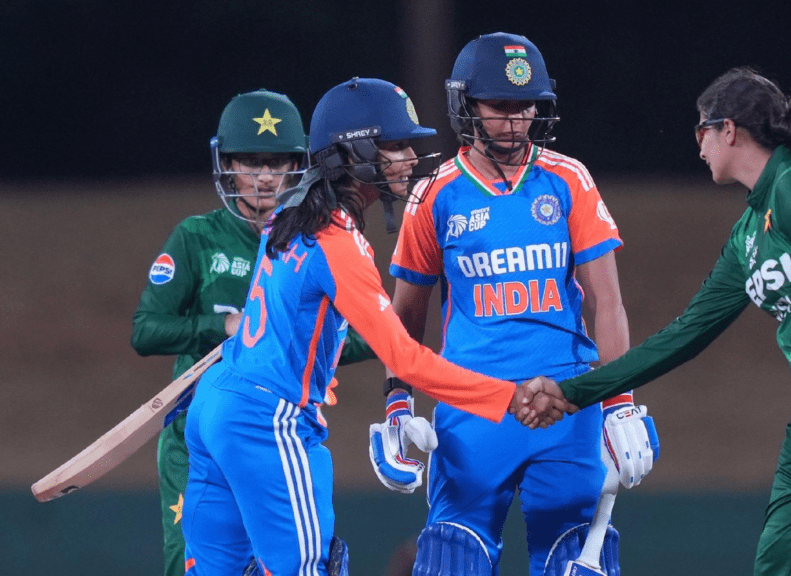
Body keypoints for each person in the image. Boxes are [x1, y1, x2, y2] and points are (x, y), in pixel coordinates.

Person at [528, 67, 791, 575]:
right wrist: (576, 392)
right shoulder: (750, 230)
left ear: (728, 129)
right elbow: (686, 334)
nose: (696, 145)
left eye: (699, 130)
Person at [179, 77, 568, 576]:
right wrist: (507, 396)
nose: (409, 157)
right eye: (395, 146)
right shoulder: (338, 240)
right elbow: (404, 356)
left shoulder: (288, 212)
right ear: (353, 152)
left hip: (217, 401)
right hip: (267, 421)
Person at [380, 32, 657, 576]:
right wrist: (396, 405)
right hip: (471, 402)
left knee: (574, 558)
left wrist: (619, 398)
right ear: (467, 105)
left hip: (569, 402)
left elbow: (608, 302)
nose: (517, 120)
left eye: (527, 106)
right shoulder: (434, 192)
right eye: (502, 106)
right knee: (450, 557)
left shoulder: (569, 178)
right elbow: (404, 319)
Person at [131, 88, 314, 576]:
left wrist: (295, 335)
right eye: (250, 162)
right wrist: (225, 326)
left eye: (277, 163)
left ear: (298, 167)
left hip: (276, 436)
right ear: (226, 165)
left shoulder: (313, 246)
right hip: (195, 437)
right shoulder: (196, 238)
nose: (265, 177)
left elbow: (355, 340)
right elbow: (145, 331)